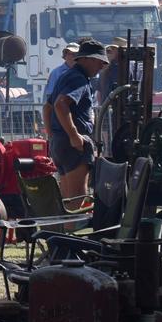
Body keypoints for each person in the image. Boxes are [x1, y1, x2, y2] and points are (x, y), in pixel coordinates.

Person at [46, 39, 108, 207]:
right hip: (72, 145)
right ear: (87, 59)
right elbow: (60, 104)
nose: (102, 66)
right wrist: (73, 135)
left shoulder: (67, 75)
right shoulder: (78, 79)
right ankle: (71, 231)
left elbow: (48, 107)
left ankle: (67, 229)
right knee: (77, 199)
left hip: (61, 142)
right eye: (100, 61)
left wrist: (52, 135)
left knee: (67, 199)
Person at [41, 43, 80, 132]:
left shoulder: (82, 72)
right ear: (65, 55)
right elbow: (50, 95)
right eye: (71, 54)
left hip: (77, 114)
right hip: (61, 115)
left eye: (76, 54)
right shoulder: (56, 73)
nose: (74, 57)